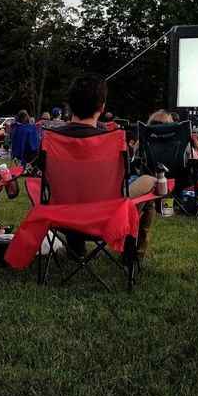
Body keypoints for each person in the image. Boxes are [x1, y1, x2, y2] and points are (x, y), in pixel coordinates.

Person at [46, 75, 158, 259]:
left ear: (69, 105)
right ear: (102, 107)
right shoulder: (114, 141)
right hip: (106, 216)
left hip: (62, 216)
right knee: (150, 181)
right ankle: (132, 256)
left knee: (76, 188)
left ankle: (76, 248)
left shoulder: (51, 139)